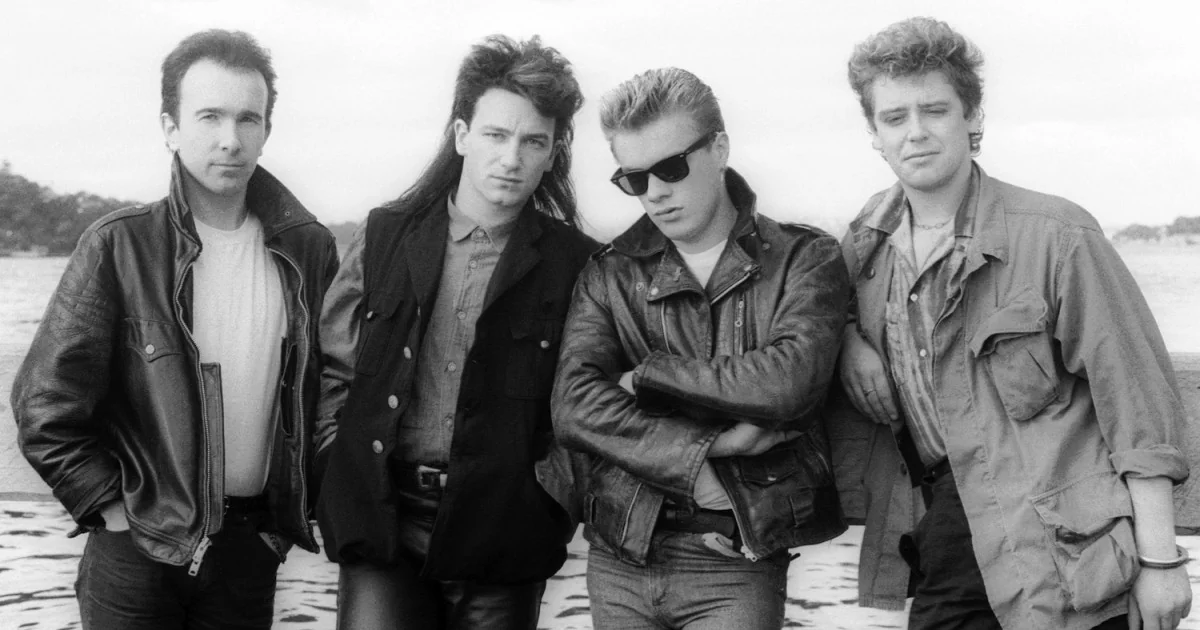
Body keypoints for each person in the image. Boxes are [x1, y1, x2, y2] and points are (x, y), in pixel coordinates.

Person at [835, 16, 1192, 630]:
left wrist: (1161, 560)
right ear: (874, 133)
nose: (915, 132)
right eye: (894, 117)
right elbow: (813, 311)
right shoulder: (865, 245)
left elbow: (1135, 399)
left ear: (972, 116)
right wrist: (847, 340)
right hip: (948, 527)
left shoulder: (1057, 235)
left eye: (935, 110)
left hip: (1064, 546)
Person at [10, 29, 338, 629]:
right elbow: (44, 403)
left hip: (249, 550)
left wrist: (287, 520)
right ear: (170, 127)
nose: (230, 139)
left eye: (248, 118)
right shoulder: (120, 245)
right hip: (136, 550)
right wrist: (110, 508)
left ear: (267, 130)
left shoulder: (309, 250)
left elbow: (327, 394)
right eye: (209, 116)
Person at [314, 34, 596, 630]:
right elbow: (334, 371)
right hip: (381, 519)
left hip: (504, 531)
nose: (511, 158)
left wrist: (551, 502)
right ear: (462, 135)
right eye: (496, 134)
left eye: (533, 141)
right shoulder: (385, 235)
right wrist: (333, 468)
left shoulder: (575, 264)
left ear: (553, 153)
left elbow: (584, 403)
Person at [552, 67, 850, 630]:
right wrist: (703, 458)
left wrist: (647, 377)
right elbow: (574, 405)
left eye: (670, 168)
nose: (655, 193)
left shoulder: (804, 258)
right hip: (617, 556)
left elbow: (787, 384)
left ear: (719, 149)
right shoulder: (609, 275)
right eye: (634, 178)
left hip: (733, 562)